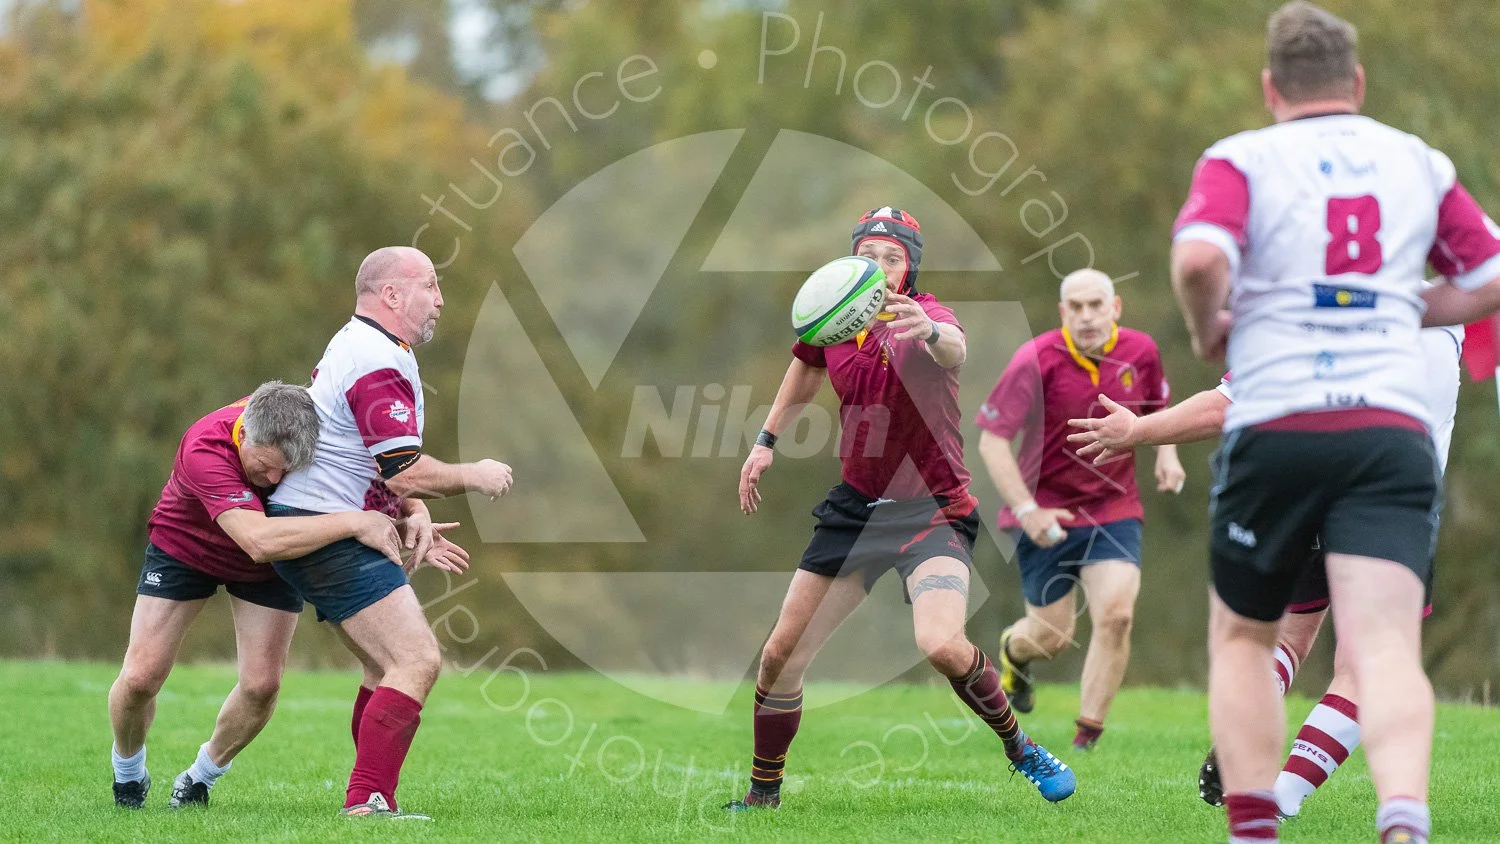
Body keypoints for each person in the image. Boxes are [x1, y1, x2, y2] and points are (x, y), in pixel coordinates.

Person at [1170, 4, 1500, 841]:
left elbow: (1201, 258)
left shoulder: (1238, 158)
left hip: (1278, 424)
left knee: (1245, 640)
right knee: (1385, 647)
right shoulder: (1416, 161)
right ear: (1357, 83)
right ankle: (1402, 819)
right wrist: (1403, 309)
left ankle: (1254, 827)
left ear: (1270, 87)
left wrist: (1212, 327)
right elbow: (1493, 275)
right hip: (1388, 434)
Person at [724, 207, 1075, 812]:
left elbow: (953, 347)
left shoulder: (925, 315)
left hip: (932, 513)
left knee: (941, 644)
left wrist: (930, 331)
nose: (880, 267)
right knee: (780, 656)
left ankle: (1022, 749)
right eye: (868, 255)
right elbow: (803, 370)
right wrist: (765, 441)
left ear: (910, 267)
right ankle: (763, 798)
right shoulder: (835, 317)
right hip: (856, 512)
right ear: (851, 261)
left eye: (893, 258)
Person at [1065, 319, 1462, 816]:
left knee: (1281, 640)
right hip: (1390, 504)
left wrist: (1138, 430)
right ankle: (1288, 795)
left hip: (1299, 493)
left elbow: (1225, 406)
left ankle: (1247, 731)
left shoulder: (1308, 311)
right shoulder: (1449, 322)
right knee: (1369, 664)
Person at [265, 246, 513, 819]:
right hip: (325, 528)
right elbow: (402, 466)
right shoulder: (375, 356)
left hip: (321, 523)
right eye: (431, 285)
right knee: (417, 660)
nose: (441, 299)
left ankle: (372, 794)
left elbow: (374, 465)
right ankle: (368, 800)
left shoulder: (364, 344)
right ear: (392, 295)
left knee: (384, 667)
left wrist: (412, 513)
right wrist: (473, 475)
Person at [109, 381, 404, 809]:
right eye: (264, 467)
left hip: (272, 560)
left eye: (285, 470)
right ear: (244, 434)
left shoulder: (310, 422)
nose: (273, 480)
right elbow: (258, 540)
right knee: (140, 677)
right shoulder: (205, 446)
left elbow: (374, 472)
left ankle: (198, 778)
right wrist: (356, 522)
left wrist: (414, 511)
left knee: (262, 685)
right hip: (188, 545)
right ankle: (128, 771)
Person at [976, 268, 1183, 750]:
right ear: (1062, 312)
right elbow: (993, 441)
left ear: (1116, 308)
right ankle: (1013, 652)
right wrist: (1028, 510)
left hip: (1113, 507)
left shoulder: (1141, 351)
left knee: (1116, 614)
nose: (1087, 316)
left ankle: (1085, 739)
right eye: (1077, 307)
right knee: (1051, 638)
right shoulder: (1035, 359)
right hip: (1044, 511)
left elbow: (1157, 413)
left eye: (1097, 305)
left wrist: (1168, 455)